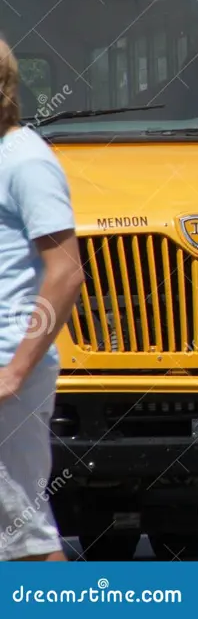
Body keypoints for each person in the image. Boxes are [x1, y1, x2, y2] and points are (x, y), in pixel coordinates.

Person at [0, 39, 84, 562]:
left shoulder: (26, 161)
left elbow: (66, 273)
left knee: (22, 532)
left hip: (8, 366)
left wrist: (15, 370)